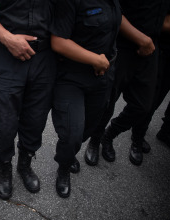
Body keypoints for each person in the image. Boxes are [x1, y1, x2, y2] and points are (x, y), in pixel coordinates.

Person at [0, 0, 57, 200]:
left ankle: (24, 163)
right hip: (6, 54)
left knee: (36, 119)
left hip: (45, 56)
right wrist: (7, 38)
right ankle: (5, 166)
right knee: (5, 121)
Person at [84, 1, 170, 167]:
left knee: (143, 106)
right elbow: (114, 11)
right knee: (108, 101)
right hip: (123, 43)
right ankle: (95, 140)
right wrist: (141, 39)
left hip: (151, 47)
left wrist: (148, 41)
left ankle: (109, 134)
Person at [51, 0, 121, 198]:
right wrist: (94, 59)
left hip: (103, 73)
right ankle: (63, 167)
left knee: (88, 127)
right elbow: (58, 41)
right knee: (72, 132)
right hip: (72, 76)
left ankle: (70, 152)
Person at [134, 12, 170, 150]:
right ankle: (137, 135)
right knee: (152, 97)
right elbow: (158, 21)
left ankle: (166, 131)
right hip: (161, 48)